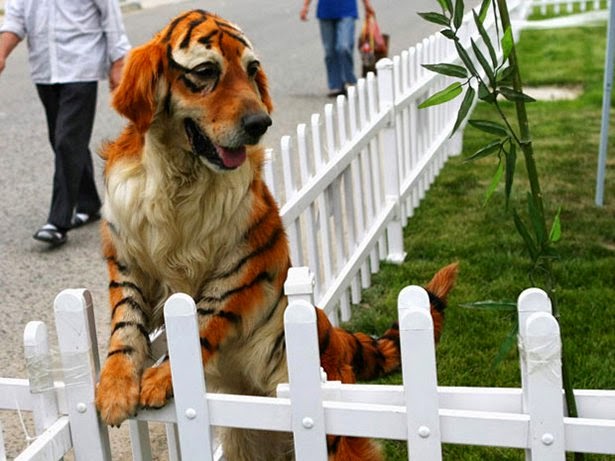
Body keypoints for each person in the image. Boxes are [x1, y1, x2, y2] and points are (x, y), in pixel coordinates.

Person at [0, 0, 131, 246]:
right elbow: (15, 20)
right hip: (44, 69)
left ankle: (58, 222)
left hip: (81, 66)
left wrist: (118, 61)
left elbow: (110, 15)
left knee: (67, 141)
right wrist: (2, 53)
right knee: (63, 140)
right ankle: (88, 203)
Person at [300, 0, 375, 97]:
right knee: (329, 52)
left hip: (347, 9)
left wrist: (367, 5)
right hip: (326, 10)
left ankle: (349, 80)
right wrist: (305, 6)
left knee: (344, 47)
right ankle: (336, 85)